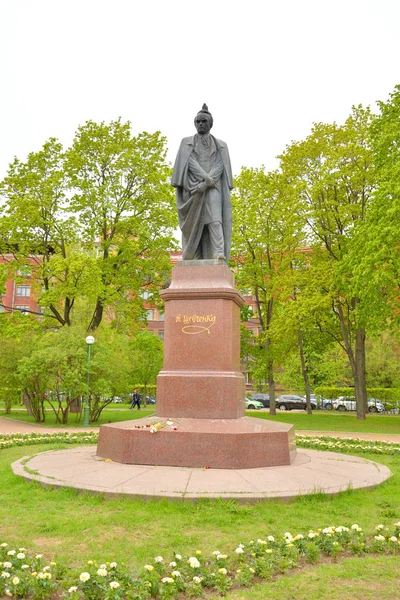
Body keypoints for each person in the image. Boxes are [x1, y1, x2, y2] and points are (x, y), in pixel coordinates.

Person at [171, 104, 233, 261]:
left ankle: (218, 253)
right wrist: (204, 179)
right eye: (198, 121)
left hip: (213, 188)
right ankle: (195, 256)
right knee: (195, 224)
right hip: (192, 188)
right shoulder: (186, 143)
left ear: (210, 124)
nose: (200, 124)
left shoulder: (221, 145)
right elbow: (188, 162)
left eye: (204, 121)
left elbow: (221, 164)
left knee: (215, 220)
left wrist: (207, 183)